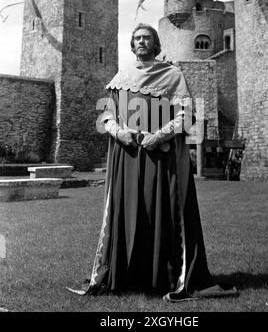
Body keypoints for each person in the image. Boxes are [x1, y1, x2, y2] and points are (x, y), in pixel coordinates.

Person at [68, 23, 238, 301]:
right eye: (137, 38)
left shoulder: (173, 75)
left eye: (147, 37)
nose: (142, 42)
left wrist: (159, 136)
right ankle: (129, 275)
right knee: (129, 212)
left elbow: (185, 116)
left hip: (162, 156)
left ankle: (167, 277)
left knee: (164, 211)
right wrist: (121, 132)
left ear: (156, 43)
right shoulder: (121, 76)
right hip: (128, 154)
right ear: (132, 45)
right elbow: (107, 116)